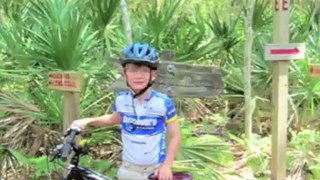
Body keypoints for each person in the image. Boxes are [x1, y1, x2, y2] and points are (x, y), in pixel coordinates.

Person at [71, 42, 181, 180]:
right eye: (133, 70)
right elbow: (113, 119)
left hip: (155, 170)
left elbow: (175, 136)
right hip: (128, 170)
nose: (138, 76)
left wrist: (167, 166)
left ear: (153, 75)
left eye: (144, 71)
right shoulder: (121, 100)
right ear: (125, 74)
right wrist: (87, 121)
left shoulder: (164, 103)